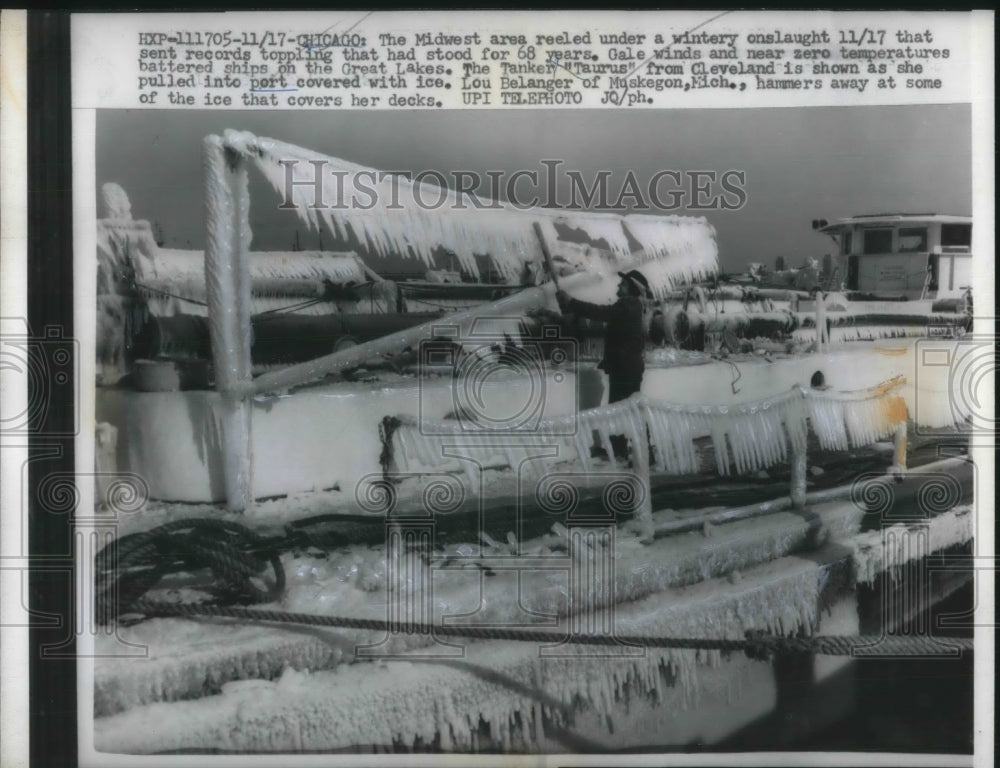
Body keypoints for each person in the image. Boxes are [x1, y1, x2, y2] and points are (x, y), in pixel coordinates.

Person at [557, 269, 650, 459]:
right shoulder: (631, 306)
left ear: (630, 289)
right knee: (624, 410)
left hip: (625, 370)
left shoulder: (628, 306)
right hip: (626, 368)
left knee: (621, 410)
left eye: (622, 284)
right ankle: (624, 450)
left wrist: (571, 302)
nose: (618, 286)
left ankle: (628, 451)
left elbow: (600, 313)